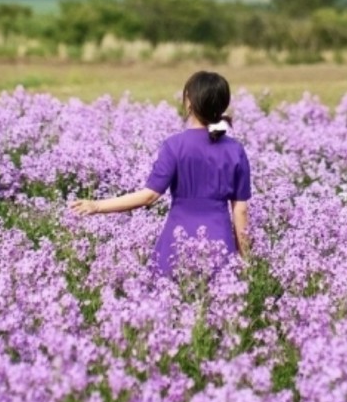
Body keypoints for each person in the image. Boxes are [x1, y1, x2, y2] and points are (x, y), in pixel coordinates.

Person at [69, 71, 251, 276]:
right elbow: (240, 210)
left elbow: (149, 196)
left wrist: (97, 206)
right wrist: (244, 261)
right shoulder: (235, 150)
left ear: (188, 102)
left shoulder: (174, 145)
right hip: (220, 241)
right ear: (222, 105)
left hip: (177, 242)